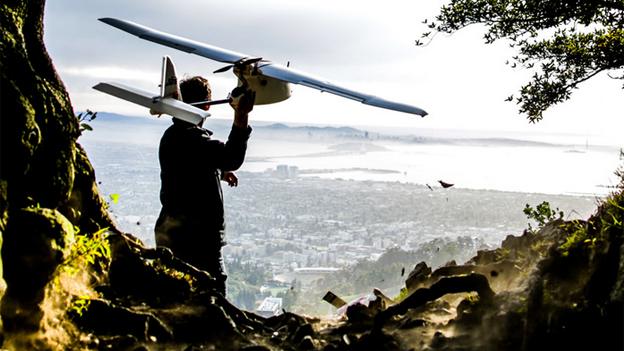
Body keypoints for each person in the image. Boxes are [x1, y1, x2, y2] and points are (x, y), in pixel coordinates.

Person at [154, 76, 255, 295]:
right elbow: (232, 157)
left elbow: (188, 168)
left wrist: (218, 171)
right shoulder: (195, 141)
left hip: (171, 233)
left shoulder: (171, 136)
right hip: (198, 240)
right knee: (212, 297)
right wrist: (241, 114)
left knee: (174, 297)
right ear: (207, 106)